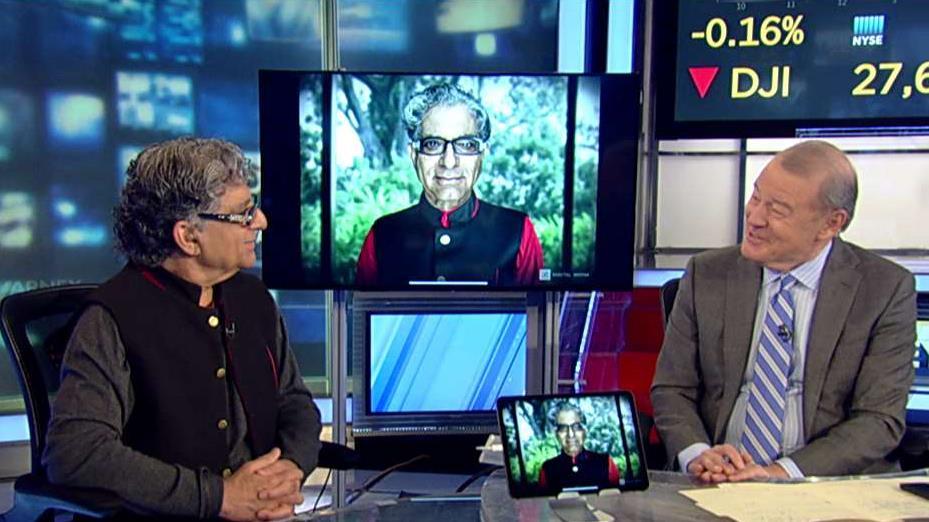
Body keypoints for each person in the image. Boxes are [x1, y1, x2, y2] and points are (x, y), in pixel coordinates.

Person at [43, 138, 323, 520]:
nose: (260, 222)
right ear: (188, 237)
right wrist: (218, 497)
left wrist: (291, 465)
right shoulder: (111, 318)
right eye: (243, 214)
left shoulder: (254, 298)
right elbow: (76, 452)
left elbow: (294, 402)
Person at [651, 140, 916, 483]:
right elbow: (672, 389)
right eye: (756, 197)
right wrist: (699, 454)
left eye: (777, 210)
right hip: (717, 481)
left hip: (824, 486)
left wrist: (779, 473)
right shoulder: (707, 274)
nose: (755, 217)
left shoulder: (884, 289)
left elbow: (879, 419)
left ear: (831, 224)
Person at [355, 82, 544, 286]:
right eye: (433, 144)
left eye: (466, 145)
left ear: (482, 155)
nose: (449, 162)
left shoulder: (518, 232)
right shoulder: (382, 235)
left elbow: (536, 305)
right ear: (414, 154)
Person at [538, 402, 620, 492]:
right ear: (556, 434)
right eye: (563, 428)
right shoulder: (548, 469)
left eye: (576, 427)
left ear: (584, 431)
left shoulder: (605, 463)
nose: (570, 434)